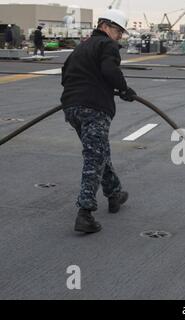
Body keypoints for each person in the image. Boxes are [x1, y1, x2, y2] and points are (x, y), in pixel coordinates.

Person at [60, 9, 136, 234]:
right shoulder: (107, 45)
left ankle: (114, 194)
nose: (120, 36)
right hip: (94, 108)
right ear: (104, 26)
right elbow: (109, 69)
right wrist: (124, 89)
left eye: (122, 32)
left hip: (72, 108)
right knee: (95, 156)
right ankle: (85, 213)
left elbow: (66, 75)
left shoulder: (80, 48)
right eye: (117, 30)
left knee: (99, 151)